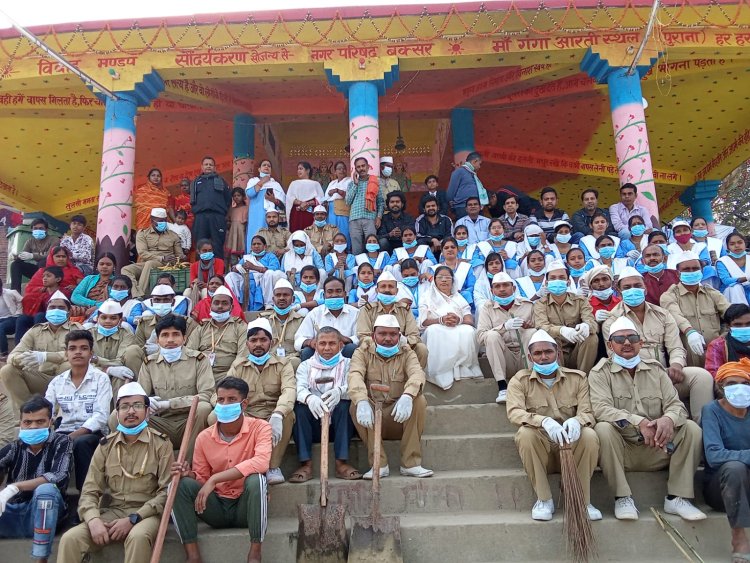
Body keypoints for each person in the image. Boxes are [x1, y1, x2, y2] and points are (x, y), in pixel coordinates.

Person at [589, 317, 705, 521]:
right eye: (619, 339)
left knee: (691, 429)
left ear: (641, 343)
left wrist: (667, 419)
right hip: (624, 450)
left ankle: (677, 497)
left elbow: (676, 405)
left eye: (632, 338)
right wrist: (639, 422)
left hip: (659, 447)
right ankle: (622, 497)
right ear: (609, 345)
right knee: (603, 429)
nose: (626, 343)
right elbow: (600, 409)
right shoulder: (599, 373)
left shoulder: (656, 369)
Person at [57, 381, 173, 563]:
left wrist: (133, 518)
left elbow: (167, 492)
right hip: (113, 511)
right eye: (125, 407)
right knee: (70, 538)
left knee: (138, 537)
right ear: (117, 414)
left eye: (137, 406)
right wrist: (93, 520)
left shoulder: (162, 444)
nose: (131, 411)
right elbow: (89, 491)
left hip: (147, 514)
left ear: (147, 411)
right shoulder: (105, 445)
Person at [171, 377, 271, 563]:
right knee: (179, 484)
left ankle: (255, 553)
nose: (225, 404)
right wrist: (190, 475)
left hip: (246, 507)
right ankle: (193, 556)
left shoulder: (261, 428)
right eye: (220, 400)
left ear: (244, 404)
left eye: (231, 399)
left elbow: (261, 463)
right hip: (215, 507)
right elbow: (201, 478)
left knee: (257, 479)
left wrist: (215, 479)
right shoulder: (204, 437)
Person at [506, 329, 601, 522]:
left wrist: (577, 421)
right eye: (538, 354)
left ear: (557, 353)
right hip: (544, 450)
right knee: (525, 434)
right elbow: (514, 412)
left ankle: (582, 501)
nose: (543, 357)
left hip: (572, 447)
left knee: (590, 435)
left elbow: (588, 412)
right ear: (530, 357)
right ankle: (544, 499)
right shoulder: (520, 380)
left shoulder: (578, 378)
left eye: (548, 352)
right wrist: (543, 421)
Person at [602, 267, 714, 423]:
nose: (633, 290)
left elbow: (675, 346)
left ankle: (703, 429)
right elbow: (615, 356)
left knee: (701, 377)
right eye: (627, 287)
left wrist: (676, 365)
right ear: (619, 292)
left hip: (665, 374)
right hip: (632, 377)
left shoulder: (663, 314)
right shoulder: (612, 320)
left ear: (645, 288)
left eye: (637, 286)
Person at [348, 314, 433, 478]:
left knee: (419, 400)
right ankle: (379, 465)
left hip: (399, 416)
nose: (388, 338)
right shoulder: (362, 352)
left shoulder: (407, 352)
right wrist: (361, 400)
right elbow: (355, 375)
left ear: (399, 335)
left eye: (393, 334)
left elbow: (417, 374)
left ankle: (411, 463)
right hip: (372, 418)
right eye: (382, 334)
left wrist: (408, 395)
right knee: (355, 404)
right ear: (374, 335)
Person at [0, 395, 72, 562]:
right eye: (27, 422)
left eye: (40, 421)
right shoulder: (15, 447)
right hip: (15, 514)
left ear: (50, 422)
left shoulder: (62, 442)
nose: (33, 427)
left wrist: (14, 487)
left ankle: (41, 558)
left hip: (49, 515)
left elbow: (58, 476)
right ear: (21, 423)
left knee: (46, 491)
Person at [225, 318, 296, 485]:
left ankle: (273, 467)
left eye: (263, 340)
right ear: (247, 343)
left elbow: (289, 390)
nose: (258, 344)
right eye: (253, 340)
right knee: (215, 417)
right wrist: (234, 410)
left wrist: (278, 413)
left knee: (288, 414)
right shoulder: (238, 366)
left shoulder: (283, 364)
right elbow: (225, 390)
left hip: (273, 413)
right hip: (247, 414)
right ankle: (236, 465)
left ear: (271, 342)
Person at [131, 314, 213, 456]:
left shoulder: (199, 360)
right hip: (159, 421)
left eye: (176, 334)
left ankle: (188, 464)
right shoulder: (149, 362)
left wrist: (169, 404)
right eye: (165, 335)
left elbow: (206, 394)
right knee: (118, 415)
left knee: (204, 408)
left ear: (184, 338)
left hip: (188, 420)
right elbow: (140, 396)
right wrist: (145, 402)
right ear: (157, 340)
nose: (170, 340)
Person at [45, 330, 111, 492]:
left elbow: (101, 416)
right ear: (66, 353)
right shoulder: (57, 382)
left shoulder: (101, 379)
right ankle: (55, 496)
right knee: (46, 442)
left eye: (83, 348)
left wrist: (72, 437)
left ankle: (85, 497)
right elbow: (46, 410)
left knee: (81, 443)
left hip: (94, 434)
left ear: (91, 353)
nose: (78, 352)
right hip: (64, 431)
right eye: (72, 348)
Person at [291, 327, 359, 482]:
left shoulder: (349, 364)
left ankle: (341, 463)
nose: (327, 348)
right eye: (322, 343)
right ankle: (306, 464)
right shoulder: (305, 366)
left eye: (332, 343)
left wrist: (339, 392)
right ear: (315, 345)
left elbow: (355, 385)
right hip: (314, 425)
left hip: (338, 426)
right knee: (299, 409)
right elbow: (299, 389)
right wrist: (310, 398)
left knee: (345, 405)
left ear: (341, 345)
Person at [701, 360, 750, 560]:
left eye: (744, 383)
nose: (739, 388)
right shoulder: (711, 411)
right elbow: (714, 455)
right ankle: (738, 536)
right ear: (721, 387)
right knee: (734, 467)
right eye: (731, 384)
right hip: (721, 488)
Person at [0, 292, 80, 410]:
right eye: (52, 307)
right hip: (40, 378)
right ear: (47, 310)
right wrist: (24, 358)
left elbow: (78, 354)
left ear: (69, 312)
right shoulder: (35, 331)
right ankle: (29, 411)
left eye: (61, 308)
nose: (56, 310)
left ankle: (61, 412)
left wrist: (45, 356)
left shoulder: (77, 330)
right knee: (7, 370)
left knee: (70, 366)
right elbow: (13, 355)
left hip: (67, 378)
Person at [661, 250, 730, 366]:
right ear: (678, 274)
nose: (691, 271)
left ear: (702, 271)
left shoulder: (712, 293)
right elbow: (675, 315)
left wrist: (721, 339)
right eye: (686, 269)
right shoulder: (669, 296)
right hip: (688, 356)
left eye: (695, 268)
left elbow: (730, 313)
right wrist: (690, 332)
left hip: (717, 353)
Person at [418, 265, 482, 389]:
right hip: (436, 326)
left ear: (453, 280)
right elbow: (423, 322)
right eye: (440, 277)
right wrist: (441, 320)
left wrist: (459, 320)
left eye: (447, 277)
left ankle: (463, 369)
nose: (444, 280)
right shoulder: (426, 296)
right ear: (435, 280)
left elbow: (469, 320)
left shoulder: (459, 298)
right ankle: (439, 372)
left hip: (457, 326)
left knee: (469, 331)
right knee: (433, 331)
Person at [477, 272, 535, 403]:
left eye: (505, 285)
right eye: (497, 286)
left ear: (513, 288)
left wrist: (530, 327)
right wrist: (503, 327)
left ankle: (533, 382)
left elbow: (543, 332)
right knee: (491, 335)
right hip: (504, 357)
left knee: (532, 333)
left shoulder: (528, 305)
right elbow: (480, 337)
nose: (502, 289)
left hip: (525, 356)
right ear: (492, 291)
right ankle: (502, 387)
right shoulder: (487, 308)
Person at [533, 260, 599, 374]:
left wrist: (586, 326)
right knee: (549, 337)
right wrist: (561, 330)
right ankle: (558, 377)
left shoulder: (580, 301)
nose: (557, 281)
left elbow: (592, 323)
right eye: (553, 278)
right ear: (547, 283)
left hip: (577, 349)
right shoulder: (541, 303)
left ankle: (583, 377)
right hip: (555, 351)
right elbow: (541, 326)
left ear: (568, 282)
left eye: (561, 277)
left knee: (591, 337)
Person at [357, 271, 428, 367]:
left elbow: (414, 336)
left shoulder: (405, 310)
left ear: (397, 290)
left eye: (391, 286)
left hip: (402, 350)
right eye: (383, 286)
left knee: (421, 348)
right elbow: (363, 336)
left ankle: (415, 379)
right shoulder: (367, 310)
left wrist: (399, 343)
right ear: (377, 290)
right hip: (375, 351)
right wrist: (382, 346)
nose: (387, 289)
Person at [186, 286, 247, 384]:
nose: (220, 306)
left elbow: (242, 357)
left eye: (225, 303)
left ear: (231, 307)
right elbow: (190, 352)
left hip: (229, 375)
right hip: (201, 374)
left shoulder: (240, 327)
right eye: (216, 303)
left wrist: (229, 378)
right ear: (211, 306)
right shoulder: (201, 327)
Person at [121, 208, 183, 298]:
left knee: (149, 264)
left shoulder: (173, 235)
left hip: (167, 263)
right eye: (160, 221)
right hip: (148, 262)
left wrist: (181, 257)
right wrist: (161, 258)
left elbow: (179, 254)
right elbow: (142, 253)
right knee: (125, 269)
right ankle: (136, 292)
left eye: (165, 221)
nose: (163, 223)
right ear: (152, 221)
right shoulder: (143, 234)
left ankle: (140, 297)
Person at [295, 277, 359, 361]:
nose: (334, 295)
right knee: (307, 351)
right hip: (320, 356)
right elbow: (298, 340)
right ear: (324, 295)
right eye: (330, 291)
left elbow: (361, 337)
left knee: (351, 348)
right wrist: (310, 342)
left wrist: (347, 339)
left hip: (345, 356)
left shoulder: (355, 313)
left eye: (338, 291)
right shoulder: (315, 313)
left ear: (344, 294)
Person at [88, 299, 136, 396]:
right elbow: (86, 362)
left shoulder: (127, 334)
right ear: (97, 318)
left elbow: (120, 361)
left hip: (119, 371)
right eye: (104, 317)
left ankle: (118, 410)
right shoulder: (88, 334)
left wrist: (96, 359)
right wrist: (107, 370)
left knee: (121, 378)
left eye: (113, 318)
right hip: (94, 372)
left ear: (120, 320)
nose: (108, 321)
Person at [225, 235, 284, 311]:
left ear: (264, 246)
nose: (256, 246)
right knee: (230, 276)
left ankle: (268, 304)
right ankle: (234, 304)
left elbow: (274, 268)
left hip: (264, 281)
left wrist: (254, 267)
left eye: (259, 244)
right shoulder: (247, 257)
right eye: (254, 244)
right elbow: (235, 269)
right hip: (246, 280)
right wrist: (238, 268)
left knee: (269, 273)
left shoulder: (270, 256)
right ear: (251, 247)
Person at [257, 279, 305, 370]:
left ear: (293, 299)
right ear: (273, 299)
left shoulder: (301, 321)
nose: (282, 298)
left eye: (285, 295)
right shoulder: (263, 320)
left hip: (291, 360)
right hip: (268, 360)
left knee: (296, 362)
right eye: (278, 295)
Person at [190, 156, 232, 260]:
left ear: (214, 167)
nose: (208, 166)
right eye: (206, 164)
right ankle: (200, 273)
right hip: (200, 217)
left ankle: (218, 273)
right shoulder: (195, 182)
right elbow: (192, 200)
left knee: (217, 244)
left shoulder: (221, 181)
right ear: (201, 167)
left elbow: (228, 199)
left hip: (217, 216)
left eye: (210, 164)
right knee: (200, 243)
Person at [346, 157, 385, 256]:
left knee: (371, 246)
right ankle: (358, 268)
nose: (361, 168)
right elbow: (348, 201)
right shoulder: (351, 184)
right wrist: (355, 184)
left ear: (368, 167)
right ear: (355, 169)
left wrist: (379, 217)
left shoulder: (375, 182)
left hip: (370, 218)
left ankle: (371, 268)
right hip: (354, 219)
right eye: (358, 167)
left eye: (363, 166)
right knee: (356, 249)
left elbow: (380, 202)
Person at [15, 266, 66, 341]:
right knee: (22, 319)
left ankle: (38, 343)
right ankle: (19, 349)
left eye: (48, 276)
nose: (44, 278)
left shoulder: (64, 293)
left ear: (58, 279)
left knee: (40, 315)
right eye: (43, 276)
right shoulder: (42, 293)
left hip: (56, 319)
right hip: (40, 319)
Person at [244, 159, 284, 252]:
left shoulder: (275, 184)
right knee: (255, 236)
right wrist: (262, 182)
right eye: (264, 165)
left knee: (271, 238)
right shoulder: (253, 181)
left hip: (271, 216)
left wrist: (273, 200)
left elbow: (283, 204)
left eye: (269, 166)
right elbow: (250, 193)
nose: (266, 167)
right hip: (256, 215)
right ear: (259, 169)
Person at [9, 217, 60, 292]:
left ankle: (42, 288)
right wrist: (17, 256)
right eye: (35, 228)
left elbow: (50, 255)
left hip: (51, 271)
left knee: (42, 262)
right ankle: (15, 292)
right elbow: (24, 255)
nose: (38, 230)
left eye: (41, 228)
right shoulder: (30, 241)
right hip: (37, 270)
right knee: (15, 264)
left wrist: (32, 255)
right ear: (32, 230)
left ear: (46, 230)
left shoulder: (54, 239)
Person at [706, 304, 750, 377]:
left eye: (748, 324)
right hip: (732, 386)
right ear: (728, 326)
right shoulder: (718, 345)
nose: (744, 328)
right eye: (738, 325)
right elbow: (714, 374)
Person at [446, 151, 487, 219]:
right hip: (462, 208)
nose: (480, 167)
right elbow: (450, 193)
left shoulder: (473, 174)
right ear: (474, 161)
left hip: (476, 208)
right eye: (479, 164)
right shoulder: (460, 171)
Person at [286, 161, 325, 232]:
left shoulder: (315, 184)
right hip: (296, 213)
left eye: (301, 169)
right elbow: (289, 198)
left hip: (310, 213)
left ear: (308, 170)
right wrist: (301, 203)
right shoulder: (294, 183)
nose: (298, 171)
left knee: (310, 233)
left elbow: (321, 199)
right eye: (298, 169)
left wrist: (308, 203)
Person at [438, 237, 476, 307]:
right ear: (442, 252)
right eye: (446, 248)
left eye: (453, 247)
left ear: (457, 249)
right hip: (442, 301)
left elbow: (471, 286)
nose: (450, 249)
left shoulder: (466, 267)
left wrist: (460, 293)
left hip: (463, 300)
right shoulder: (436, 269)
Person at [718, 232, 750, 305]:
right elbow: (726, 280)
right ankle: (741, 315)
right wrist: (746, 278)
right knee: (735, 287)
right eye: (732, 244)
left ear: (745, 243)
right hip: (732, 293)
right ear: (728, 247)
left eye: (740, 242)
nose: (737, 246)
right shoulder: (722, 261)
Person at [324, 160, 352, 242]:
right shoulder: (332, 183)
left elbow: (349, 195)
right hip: (332, 210)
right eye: (339, 169)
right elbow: (327, 197)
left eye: (343, 168)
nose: (341, 170)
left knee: (344, 230)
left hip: (343, 209)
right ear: (335, 172)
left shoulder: (349, 180)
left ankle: (347, 250)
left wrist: (337, 191)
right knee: (332, 231)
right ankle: (333, 251)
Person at [0, 278, 21, 361]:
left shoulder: (10, 292)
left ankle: (4, 353)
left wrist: (18, 313)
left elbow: (22, 301)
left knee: (0, 327)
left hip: (11, 318)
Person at [224, 188, 248, 262]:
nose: (236, 197)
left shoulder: (247, 208)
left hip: (242, 234)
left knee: (243, 255)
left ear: (243, 196)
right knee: (232, 257)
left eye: (239, 195)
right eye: (234, 196)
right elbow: (228, 220)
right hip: (232, 235)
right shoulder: (231, 209)